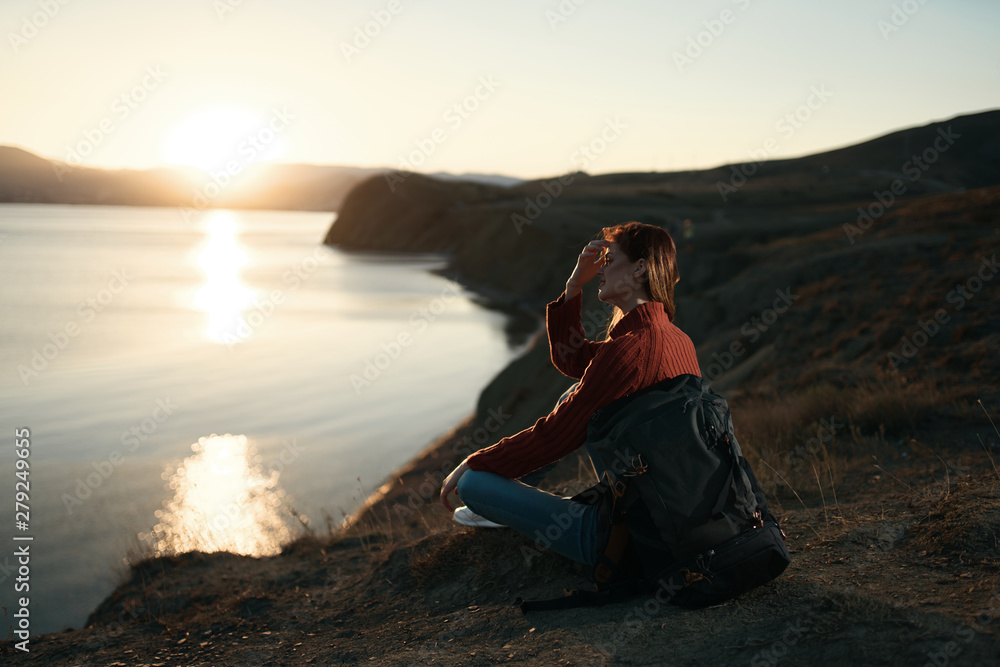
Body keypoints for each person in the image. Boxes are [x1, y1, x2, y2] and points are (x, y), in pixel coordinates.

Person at [439, 221, 702, 568]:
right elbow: (575, 360)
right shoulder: (675, 339)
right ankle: (508, 502)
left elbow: (554, 438)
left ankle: (505, 504)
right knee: (572, 395)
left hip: (626, 537)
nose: (601, 271)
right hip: (672, 512)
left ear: (640, 268)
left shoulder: (629, 350)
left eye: (610, 261)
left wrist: (475, 461)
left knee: (473, 484)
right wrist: (574, 286)